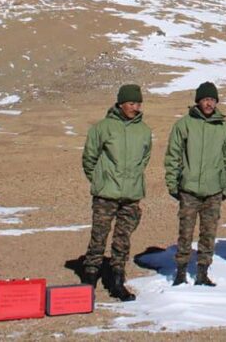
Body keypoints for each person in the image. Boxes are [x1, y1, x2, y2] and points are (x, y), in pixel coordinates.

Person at [81, 84, 152, 302]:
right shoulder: (102, 128)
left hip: (131, 194)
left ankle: (117, 281)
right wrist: (100, 180)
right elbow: (89, 158)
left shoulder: (144, 130)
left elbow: (145, 158)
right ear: (121, 103)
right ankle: (89, 280)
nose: (135, 107)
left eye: (138, 103)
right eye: (132, 103)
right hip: (106, 194)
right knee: (99, 237)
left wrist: (135, 179)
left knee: (123, 240)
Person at [164, 81, 226, 287]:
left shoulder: (224, 127)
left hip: (214, 190)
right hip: (189, 189)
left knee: (209, 233)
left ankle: (202, 272)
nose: (209, 104)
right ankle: (180, 271)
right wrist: (173, 183)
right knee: (185, 232)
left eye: (213, 100)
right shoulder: (184, 125)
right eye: (206, 99)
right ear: (198, 101)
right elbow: (173, 156)